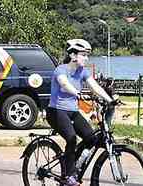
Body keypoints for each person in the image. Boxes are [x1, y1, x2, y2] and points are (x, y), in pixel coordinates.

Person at [46, 39, 115, 186]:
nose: (86, 58)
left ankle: (70, 163)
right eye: (83, 54)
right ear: (73, 55)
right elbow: (64, 84)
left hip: (72, 111)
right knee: (71, 138)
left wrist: (110, 100)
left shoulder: (82, 71)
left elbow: (95, 86)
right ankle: (69, 174)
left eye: (87, 55)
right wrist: (77, 93)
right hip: (56, 111)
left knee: (91, 138)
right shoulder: (61, 70)